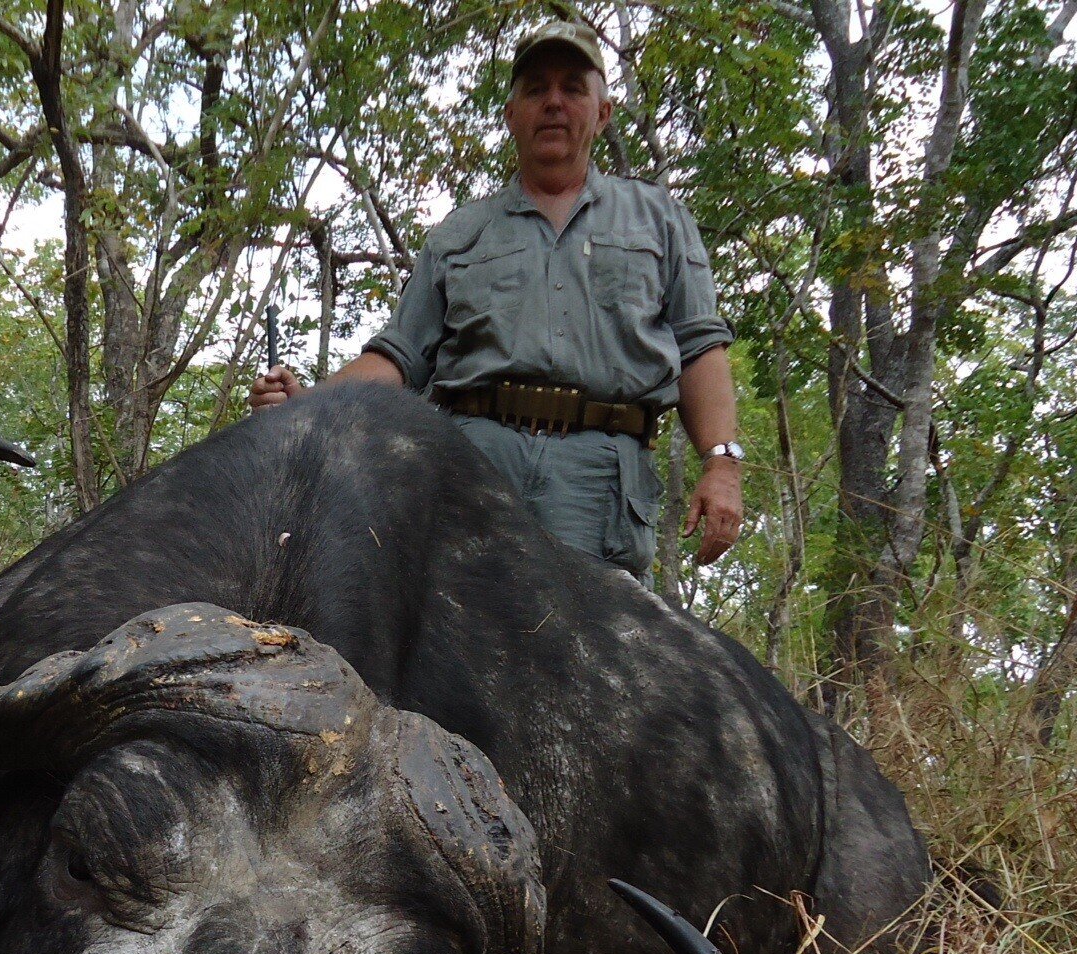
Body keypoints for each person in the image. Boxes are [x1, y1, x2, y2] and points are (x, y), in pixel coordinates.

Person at [249, 17, 745, 581]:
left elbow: (700, 348)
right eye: (536, 90)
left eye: (572, 89)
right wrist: (308, 403)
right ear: (512, 115)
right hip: (470, 473)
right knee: (453, 653)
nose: (553, 103)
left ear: (603, 113)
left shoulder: (660, 221)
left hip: (601, 484)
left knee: (590, 659)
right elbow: (397, 359)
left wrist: (722, 464)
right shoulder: (460, 233)